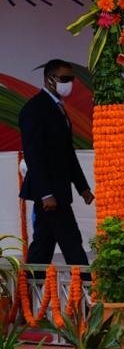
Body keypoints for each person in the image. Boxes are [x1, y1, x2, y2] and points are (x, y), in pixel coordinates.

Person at [18, 59, 93, 266]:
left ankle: (26, 294)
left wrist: (82, 187)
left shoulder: (59, 108)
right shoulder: (34, 109)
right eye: (64, 78)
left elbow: (67, 153)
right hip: (50, 193)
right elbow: (34, 155)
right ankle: (87, 290)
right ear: (50, 79)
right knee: (72, 241)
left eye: (71, 79)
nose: (69, 83)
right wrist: (46, 193)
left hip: (59, 189)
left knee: (43, 245)